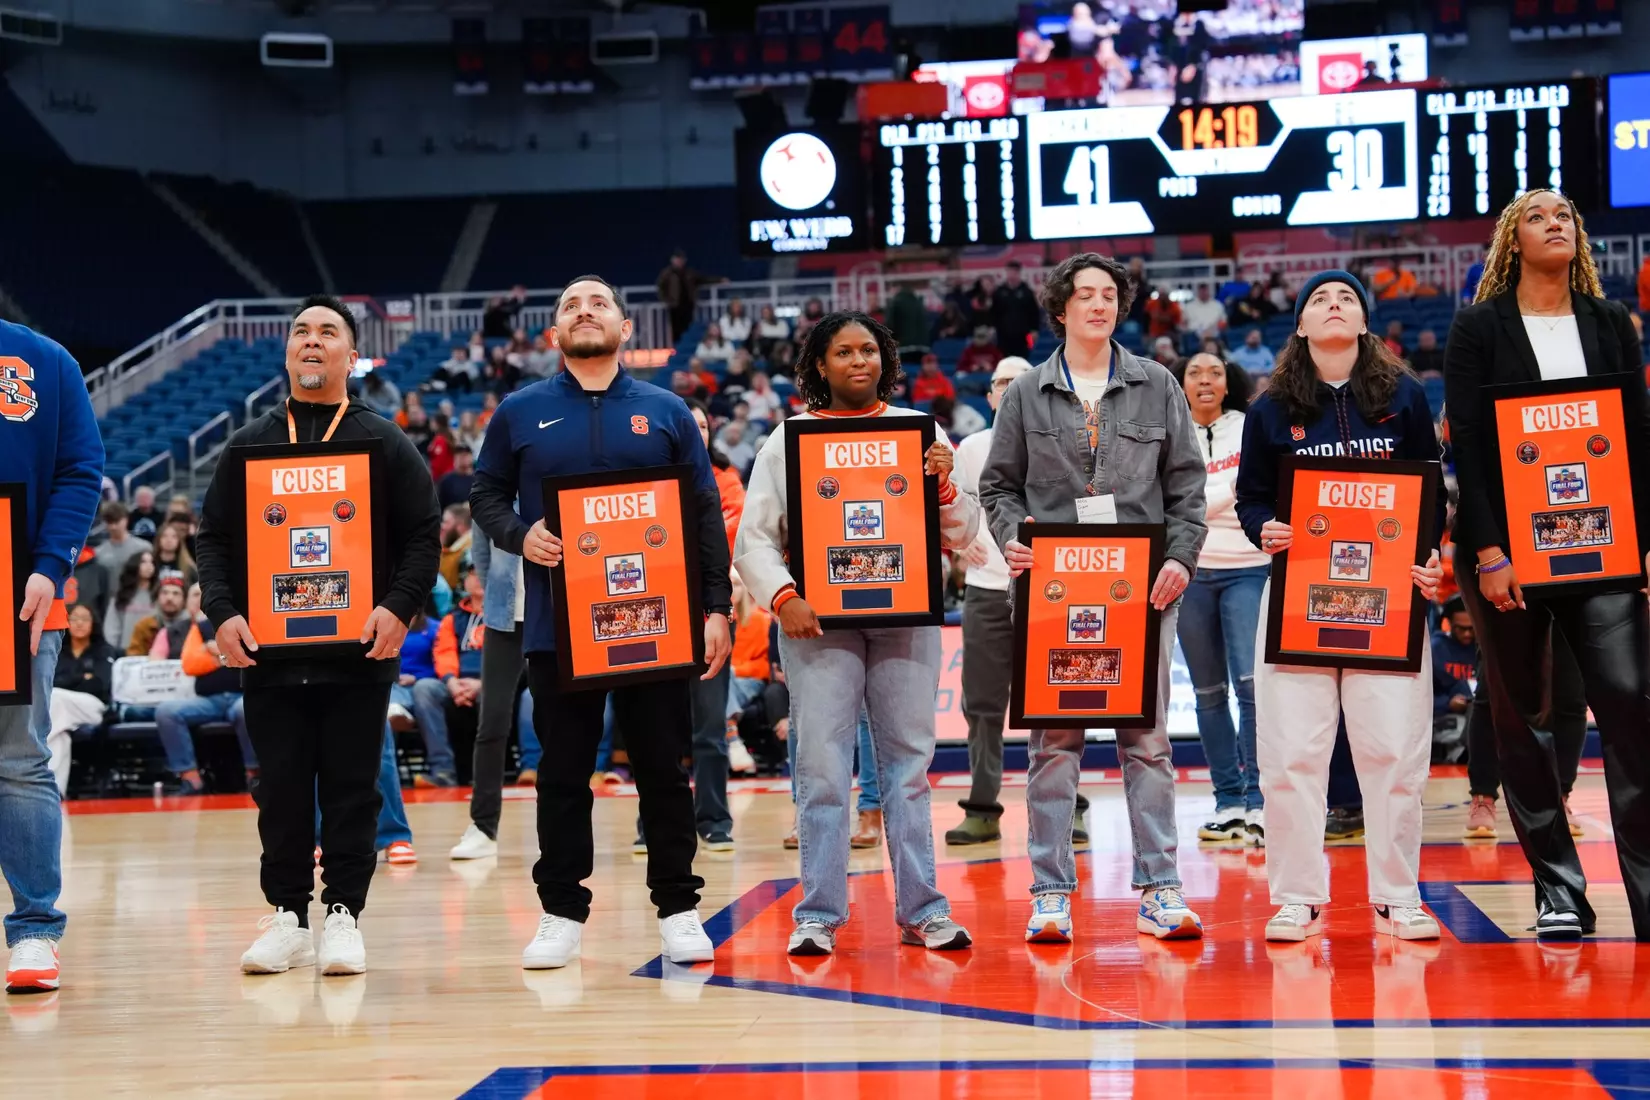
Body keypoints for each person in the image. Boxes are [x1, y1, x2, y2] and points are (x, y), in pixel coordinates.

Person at [469, 274, 731, 969]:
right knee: (561, 773)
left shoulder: (667, 409)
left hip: (657, 621)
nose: (585, 312)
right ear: (553, 334)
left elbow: (703, 512)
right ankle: (560, 911)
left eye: (599, 303)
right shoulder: (520, 412)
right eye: (569, 306)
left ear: (625, 327)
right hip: (558, 626)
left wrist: (716, 609)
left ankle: (678, 906)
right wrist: (519, 534)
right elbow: (485, 492)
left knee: (662, 771)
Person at [199, 295, 440, 977]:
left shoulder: (383, 440)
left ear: (350, 355)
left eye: (327, 332)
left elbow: (424, 535)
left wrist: (398, 606)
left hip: (357, 653)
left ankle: (342, 915)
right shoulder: (249, 444)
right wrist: (222, 614)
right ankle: (286, 917)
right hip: (269, 656)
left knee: (351, 786)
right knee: (277, 789)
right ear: (287, 352)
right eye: (300, 331)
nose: (312, 341)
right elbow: (213, 540)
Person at [981, 253, 1208, 945]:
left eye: (1110, 294)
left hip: (1138, 591)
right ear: (1060, 308)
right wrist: (1011, 538)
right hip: (1053, 589)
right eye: (1085, 295)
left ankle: (1160, 888)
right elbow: (998, 488)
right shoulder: (1025, 394)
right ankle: (1050, 893)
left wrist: (1180, 559)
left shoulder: (1158, 384)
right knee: (1054, 743)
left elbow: (1187, 490)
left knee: (1147, 741)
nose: (1099, 305)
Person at [1443, 188, 1650, 941]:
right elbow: (1468, 438)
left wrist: (1646, 541)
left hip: (1607, 544)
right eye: (1538, 216)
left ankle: (1646, 892)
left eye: (1565, 215)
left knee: (1630, 704)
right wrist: (1492, 550)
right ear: (1511, 239)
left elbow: (1638, 433)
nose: (1555, 223)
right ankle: (1559, 891)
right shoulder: (1478, 327)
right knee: (1523, 717)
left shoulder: (1608, 322)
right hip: (1509, 553)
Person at [736, 309, 976, 957]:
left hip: (906, 620)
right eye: (843, 352)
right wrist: (781, 596)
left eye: (869, 350)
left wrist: (947, 487)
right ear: (821, 364)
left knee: (908, 769)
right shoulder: (788, 439)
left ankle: (924, 909)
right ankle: (816, 912)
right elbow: (752, 539)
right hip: (818, 624)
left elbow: (964, 537)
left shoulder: (921, 433)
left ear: (885, 360)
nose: (859, 362)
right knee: (820, 769)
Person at [1236, 268, 1446, 943]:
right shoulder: (1271, 408)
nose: (1333, 305)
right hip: (1299, 592)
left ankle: (1399, 895)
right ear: (1299, 325)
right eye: (1318, 299)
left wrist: (1430, 553)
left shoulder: (1405, 396)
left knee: (1394, 750)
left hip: (1388, 597)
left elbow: (1430, 489)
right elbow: (1252, 497)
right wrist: (1262, 527)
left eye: (1347, 298)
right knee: (1292, 752)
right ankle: (1296, 896)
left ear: (1365, 323)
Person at [0, 316, 103, 995]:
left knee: (17, 760)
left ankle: (36, 928)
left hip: (23, 588)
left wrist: (48, 564)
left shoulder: (45, 359)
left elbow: (80, 468)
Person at [945, 356, 1045, 846]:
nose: (1008, 389)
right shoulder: (971, 447)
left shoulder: (1057, 439)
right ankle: (983, 806)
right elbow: (955, 508)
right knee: (982, 705)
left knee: (1055, 703)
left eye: (1018, 381)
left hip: (1049, 591)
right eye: (1000, 383)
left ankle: (1065, 806)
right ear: (988, 396)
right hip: (987, 588)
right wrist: (961, 544)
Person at [1169, 351, 1268, 844]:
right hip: (1189, 571)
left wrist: (1198, 502)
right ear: (1181, 383)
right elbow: (1166, 497)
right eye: (1194, 372)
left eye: (1214, 372)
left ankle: (1259, 800)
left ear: (1228, 383)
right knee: (1208, 695)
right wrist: (1220, 494)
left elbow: (1248, 489)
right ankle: (1228, 801)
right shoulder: (1168, 428)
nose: (1205, 380)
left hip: (1249, 568)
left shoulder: (1251, 426)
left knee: (1251, 688)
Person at [449, 530, 532, 861]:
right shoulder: (492, 485)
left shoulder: (558, 479)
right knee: (492, 724)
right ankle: (483, 827)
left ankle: (561, 828)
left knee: (561, 719)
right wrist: (498, 597)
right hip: (503, 621)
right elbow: (482, 554)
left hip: (556, 615)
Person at [154, 609, 256, 797]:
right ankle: (191, 779)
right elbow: (190, 664)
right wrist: (227, 657)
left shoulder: (251, 621)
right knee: (166, 712)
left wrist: (213, 650)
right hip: (209, 701)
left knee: (246, 710)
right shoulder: (201, 627)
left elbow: (254, 656)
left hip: (242, 696)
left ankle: (254, 776)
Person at [44, 603, 117, 794]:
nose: (79, 623)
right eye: (74, 618)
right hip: (61, 709)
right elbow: (50, 681)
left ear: (94, 623)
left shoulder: (103, 650)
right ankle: (56, 790)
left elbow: (100, 685)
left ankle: (47, 784)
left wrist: (69, 680)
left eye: (85, 619)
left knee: (56, 699)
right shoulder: (58, 650)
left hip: (93, 707)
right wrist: (82, 677)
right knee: (60, 733)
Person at [657, 250, 720, 345]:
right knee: (676, 329)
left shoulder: (689, 273)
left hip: (688, 305)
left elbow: (702, 279)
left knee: (688, 328)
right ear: (672, 260)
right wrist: (667, 300)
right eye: (677, 259)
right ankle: (677, 349)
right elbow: (661, 287)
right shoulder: (667, 274)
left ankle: (687, 345)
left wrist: (719, 280)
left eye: (681, 259)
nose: (679, 262)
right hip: (675, 306)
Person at [124, 570, 189, 657]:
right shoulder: (144, 626)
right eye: (165, 593)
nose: (169, 598)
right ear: (157, 597)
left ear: (185, 600)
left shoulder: (193, 627)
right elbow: (134, 657)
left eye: (176, 593)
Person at [103, 551, 157, 651]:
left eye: (152, 562)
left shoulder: (159, 595)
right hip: (126, 651)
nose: (149, 566)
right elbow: (112, 628)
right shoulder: (121, 597)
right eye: (143, 562)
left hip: (155, 652)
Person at [992, 260, 1041, 357]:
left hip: (1024, 334)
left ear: (1019, 273)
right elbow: (994, 312)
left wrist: (1034, 330)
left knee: (1023, 358)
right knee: (1004, 359)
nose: (1011, 274)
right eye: (1009, 271)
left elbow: (1034, 312)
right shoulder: (999, 292)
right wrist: (992, 327)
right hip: (1003, 334)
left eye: (1014, 272)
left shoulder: (1027, 292)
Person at [93, 501, 151, 577]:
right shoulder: (98, 553)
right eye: (109, 522)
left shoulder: (143, 548)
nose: (113, 527)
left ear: (126, 519)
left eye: (116, 521)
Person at [438, 503, 473, 590]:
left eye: (446, 522)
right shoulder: (452, 550)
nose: (442, 526)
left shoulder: (468, 554)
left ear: (460, 526)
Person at [152, 522, 197, 587]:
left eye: (174, 537)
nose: (169, 540)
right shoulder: (151, 563)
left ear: (179, 541)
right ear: (158, 539)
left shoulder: (187, 566)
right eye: (164, 536)